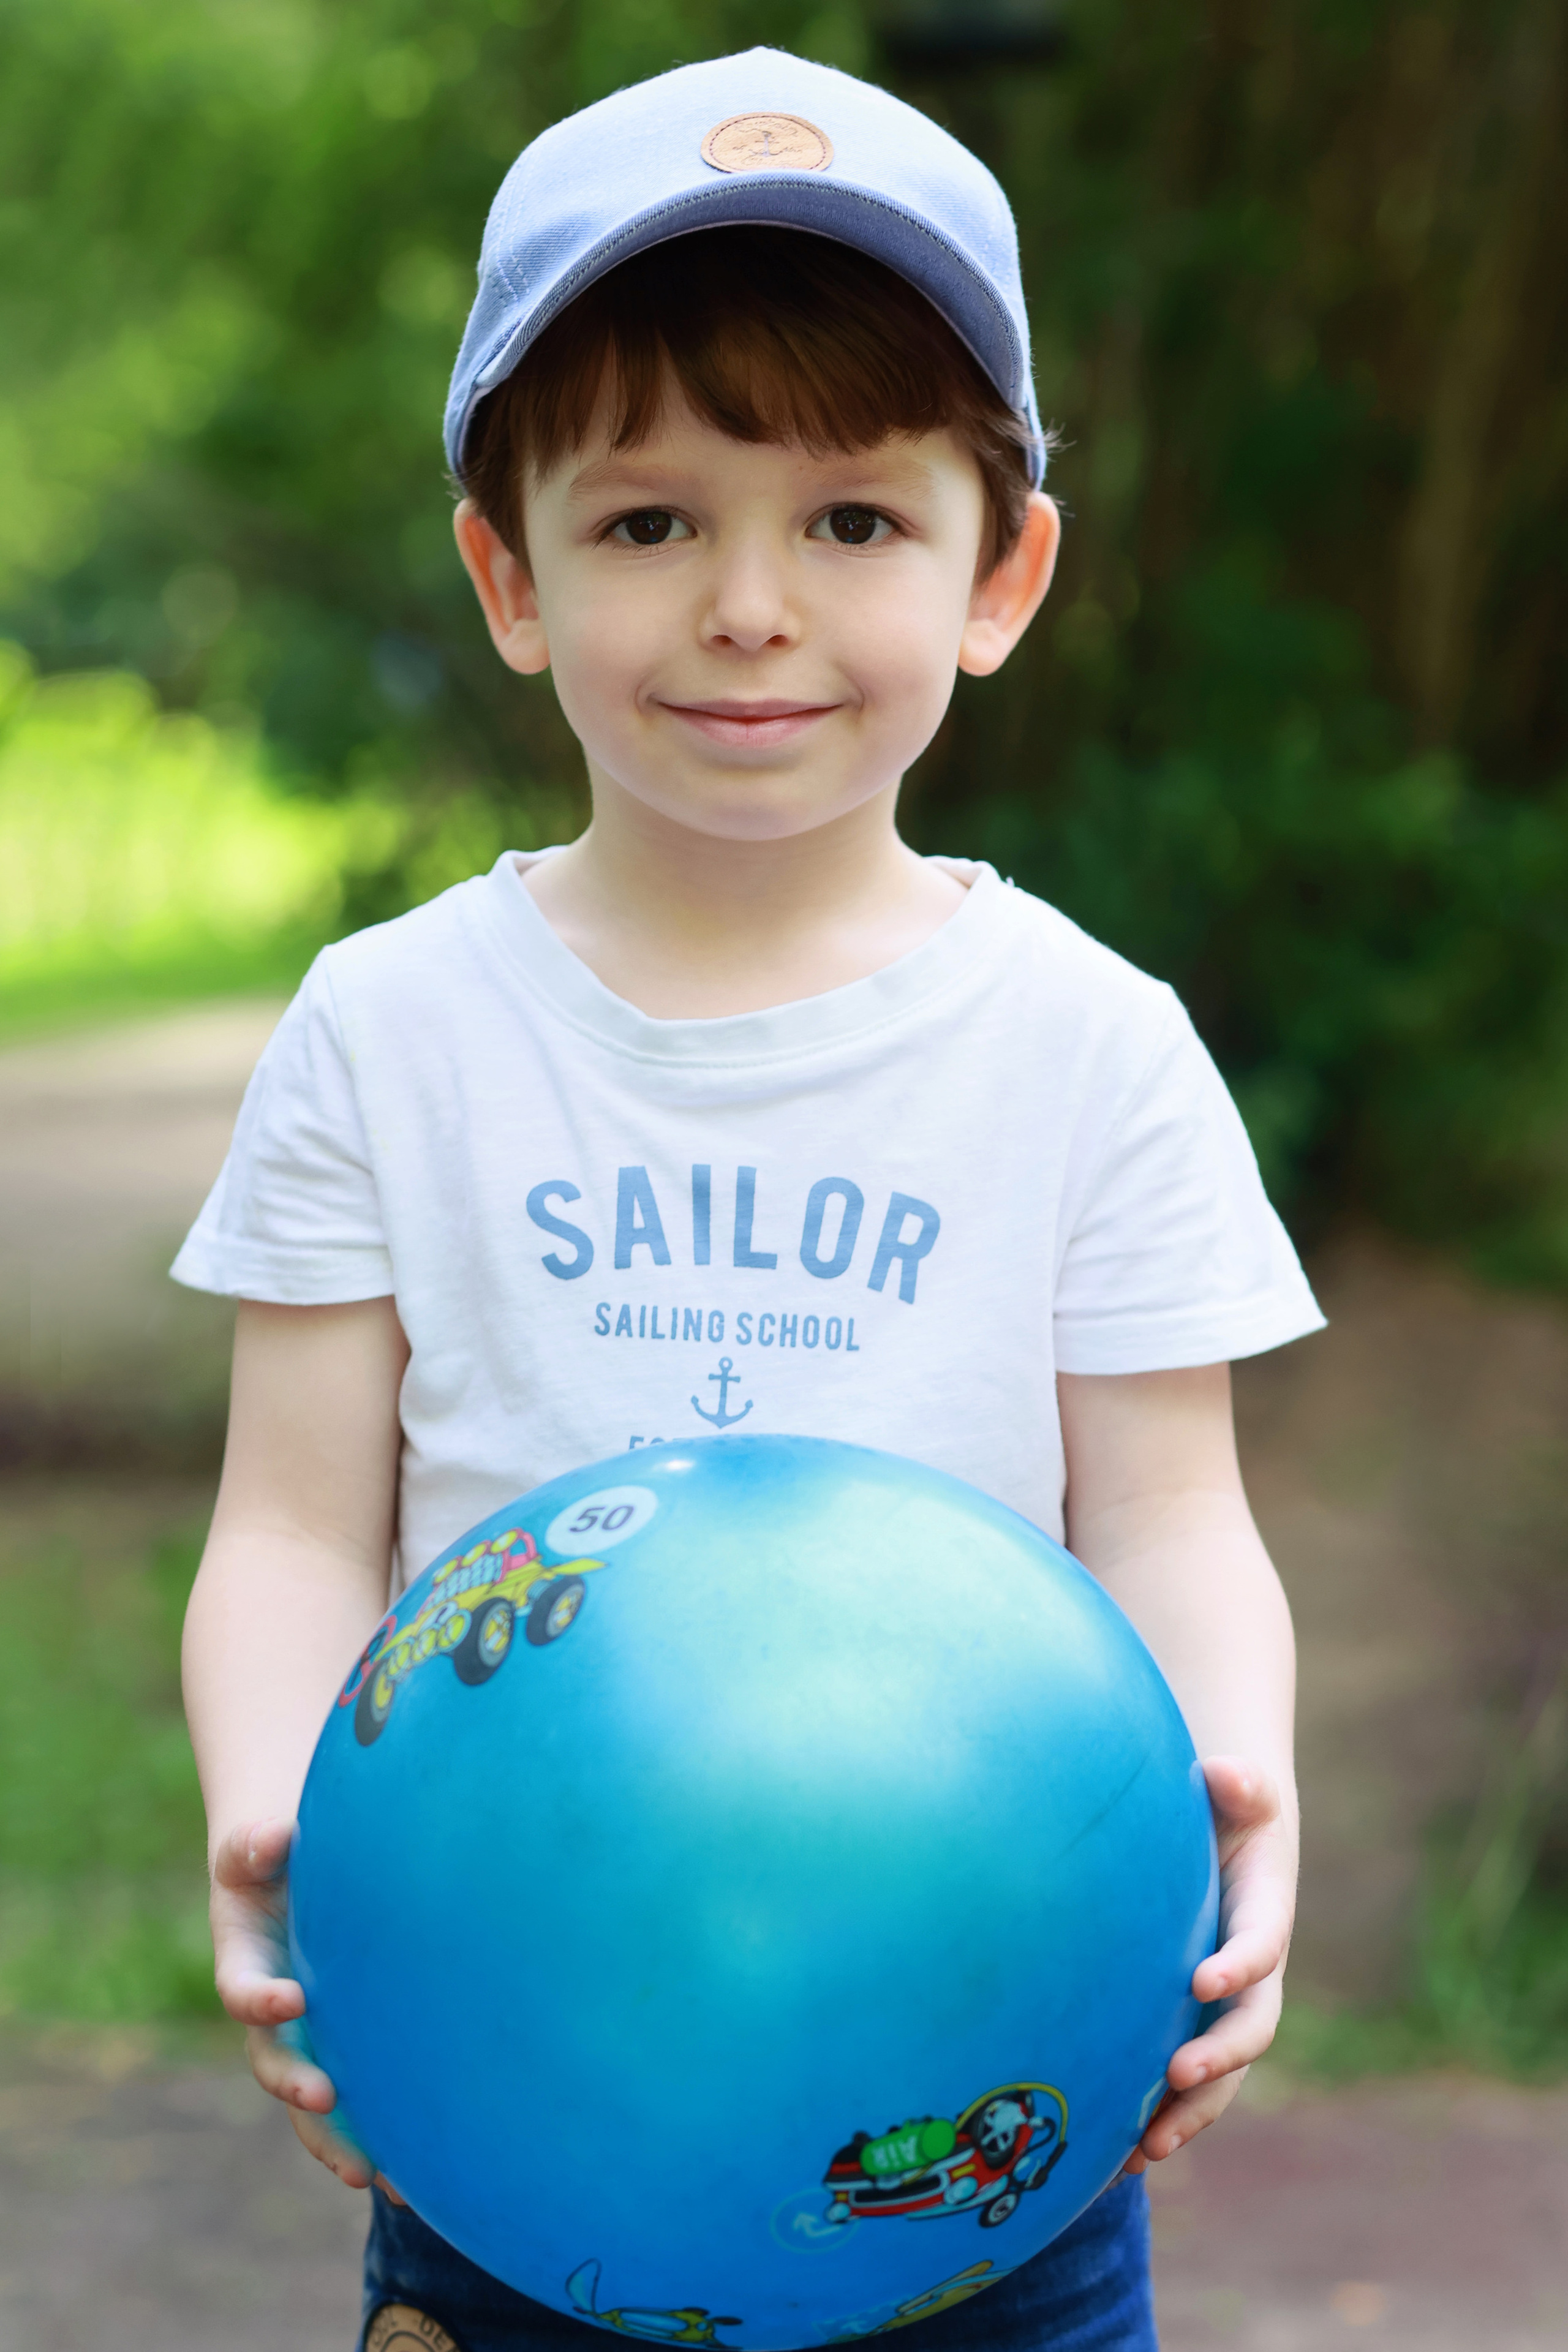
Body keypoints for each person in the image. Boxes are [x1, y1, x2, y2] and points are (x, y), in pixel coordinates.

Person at [176, 46, 1322, 2352]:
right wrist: (272, 1820)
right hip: (524, 2086)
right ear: (509, 574)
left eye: (853, 521)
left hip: (986, 2087)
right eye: (648, 521)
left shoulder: (1090, 1044)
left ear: (1004, 574)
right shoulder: (393, 1035)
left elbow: (1172, 1517)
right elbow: (297, 1523)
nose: (748, 607)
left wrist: (1233, 1791)